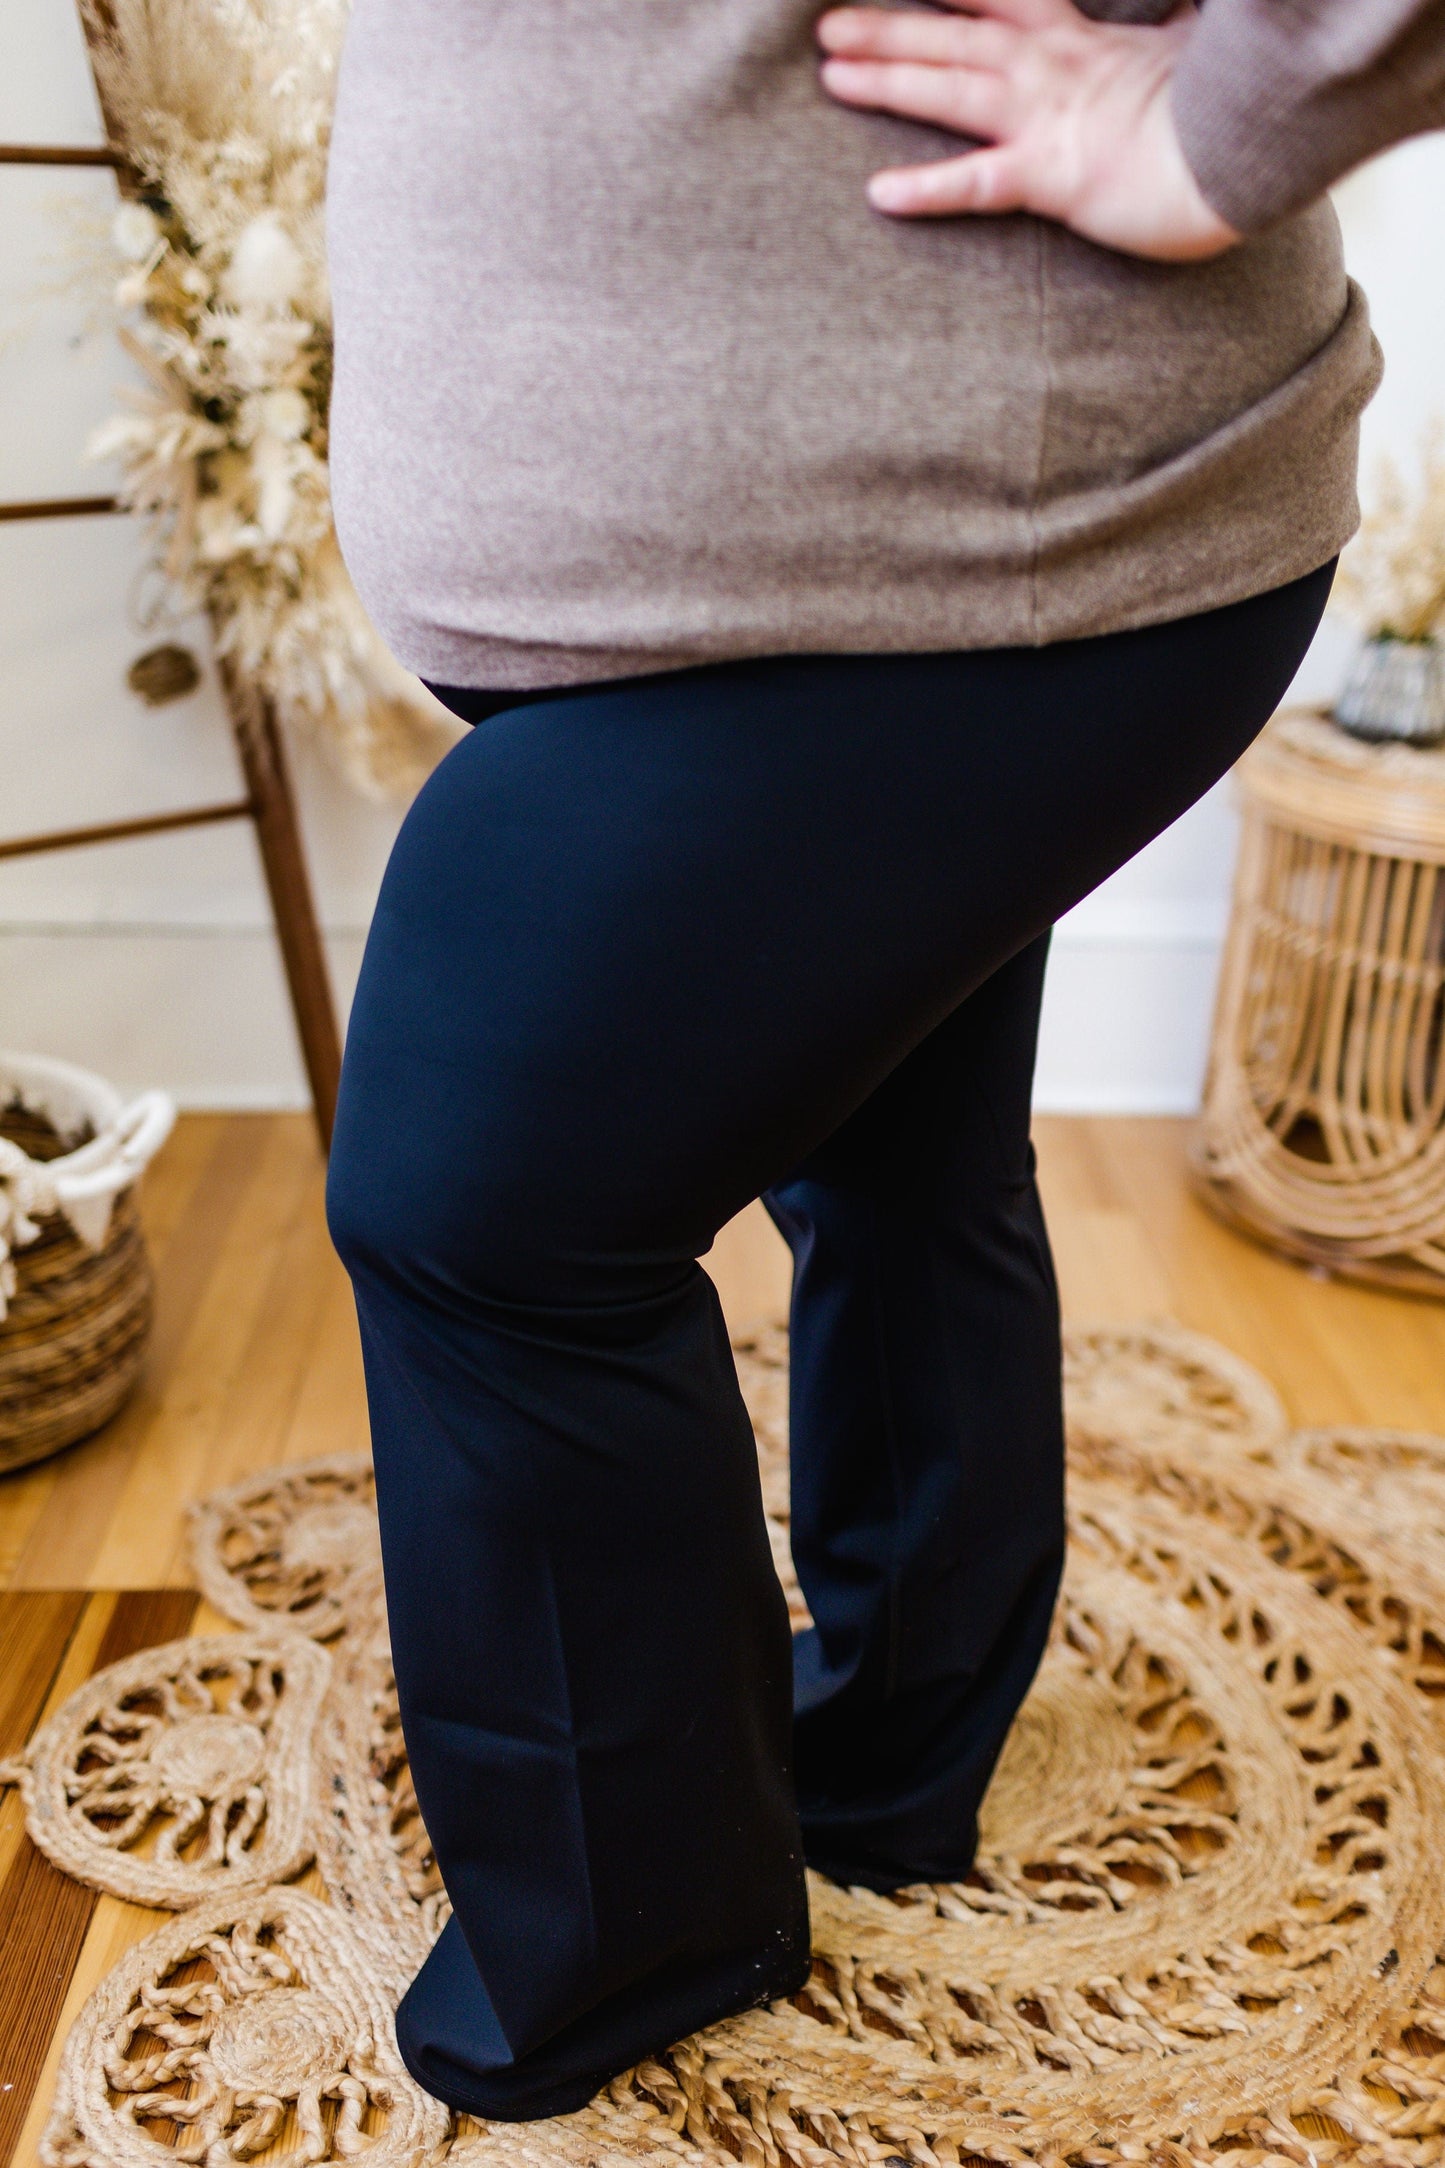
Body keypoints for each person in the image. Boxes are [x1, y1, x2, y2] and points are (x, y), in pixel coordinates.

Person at [321, 0, 1445, 2122]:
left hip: (990, 542)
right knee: (898, 1135)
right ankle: (898, 1750)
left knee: (476, 1216)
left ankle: (642, 1930)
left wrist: (1227, 119)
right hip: (869, 550)